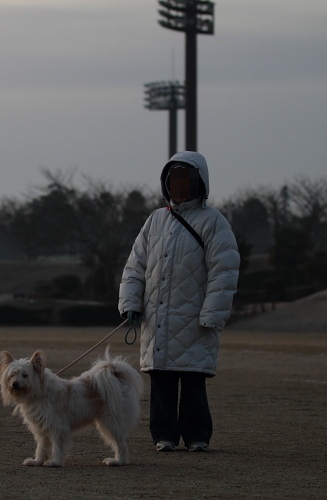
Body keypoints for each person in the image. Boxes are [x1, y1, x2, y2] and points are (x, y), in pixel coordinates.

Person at [118, 151, 240, 452]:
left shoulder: (213, 221)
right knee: (161, 381)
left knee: (193, 380)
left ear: (200, 183)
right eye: (174, 180)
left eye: (186, 180)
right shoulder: (155, 220)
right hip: (157, 318)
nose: (180, 186)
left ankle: (197, 436)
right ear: (166, 184)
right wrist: (130, 304)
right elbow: (136, 266)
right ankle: (164, 436)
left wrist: (213, 313)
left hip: (195, 318)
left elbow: (224, 271)